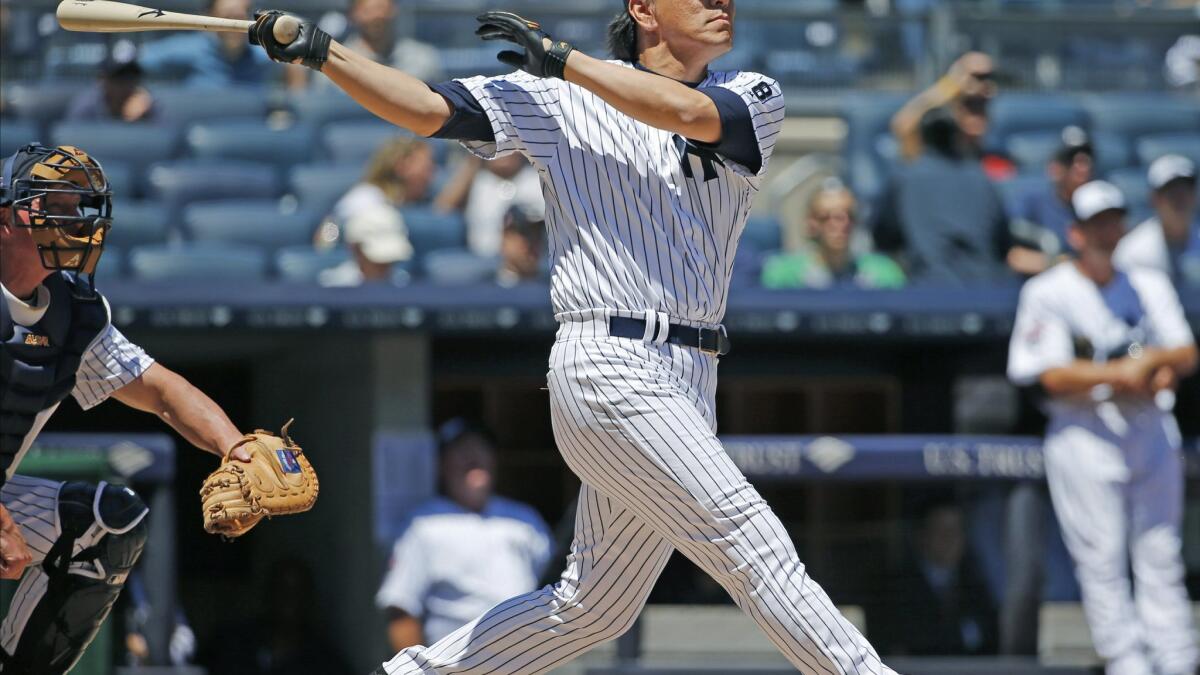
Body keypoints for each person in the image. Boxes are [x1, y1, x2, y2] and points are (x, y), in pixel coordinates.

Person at [247, 0, 898, 672]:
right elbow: (424, 108)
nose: (720, 2)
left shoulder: (751, 93)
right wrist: (326, 51)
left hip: (692, 373)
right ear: (643, 8)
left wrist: (566, 61)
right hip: (609, 362)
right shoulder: (557, 99)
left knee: (593, 606)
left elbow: (684, 114)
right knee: (749, 540)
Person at [0, 143, 258, 674]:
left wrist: (238, 449)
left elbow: (161, 392)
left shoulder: (72, 312)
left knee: (107, 526)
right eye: (55, 205)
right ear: (6, 214)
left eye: (78, 208)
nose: (73, 221)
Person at [1007, 179, 1199, 675]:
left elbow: (1184, 351)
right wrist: (1121, 374)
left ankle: (1176, 661)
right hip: (1084, 432)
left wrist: (1152, 364)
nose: (1107, 230)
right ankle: (1127, 663)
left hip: (1149, 429)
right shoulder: (1048, 290)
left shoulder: (1147, 282)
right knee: (1102, 561)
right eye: (1096, 222)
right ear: (1075, 232)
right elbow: (1048, 375)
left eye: (1113, 219)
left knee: (1161, 556)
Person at [376, 420, 552, 651]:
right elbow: (401, 608)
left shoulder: (523, 518)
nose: (473, 456)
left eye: (481, 448)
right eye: (462, 449)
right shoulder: (423, 524)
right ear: (442, 464)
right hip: (459, 663)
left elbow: (556, 580)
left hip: (528, 656)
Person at [873, 108, 1033, 284]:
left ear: (922, 137)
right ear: (956, 137)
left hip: (929, 294)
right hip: (985, 292)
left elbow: (883, 238)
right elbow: (1003, 244)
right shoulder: (981, 178)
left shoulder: (905, 177)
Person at [876, 501, 997, 656]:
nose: (951, 539)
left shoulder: (975, 583)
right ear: (922, 536)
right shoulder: (899, 586)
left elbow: (989, 636)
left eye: (956, 530)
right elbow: (905, 641)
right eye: (942, 531)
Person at [315, 137, 430, 286]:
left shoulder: (398, 202)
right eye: (427, 166)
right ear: (402, 165)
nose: (431, 172)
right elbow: (325, 237)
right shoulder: (364, 198)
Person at [760, 181, 905, 289]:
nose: (840, 224)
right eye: (827, 217)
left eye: (848, 215)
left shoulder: (884, 273)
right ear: (811, 224)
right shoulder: (783, 274)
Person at [890, 51, 1011, 179]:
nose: (984, 85)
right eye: (969, 106)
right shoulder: (931, 160)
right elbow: (902, 125)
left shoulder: (996, 161)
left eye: (981, 107)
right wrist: (951, 85)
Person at [138, 0, 274, 87]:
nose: (236, 25)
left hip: (246, 127)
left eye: (242, 17)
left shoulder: (262, 55)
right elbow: (135, 61)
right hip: (197, 127)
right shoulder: (189, 49)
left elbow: (289, 65)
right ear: (210, 16)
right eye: (228, 17)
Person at [435, 152, 545, 257]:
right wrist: (474, 159)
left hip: (532, 262)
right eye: (494, 144)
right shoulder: (476, 179)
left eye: (510, 144)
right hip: (482, 262)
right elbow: (442, 209)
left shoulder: (539, 178)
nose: (504, 153)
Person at [1010, 126, 1095, 261]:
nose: (1081, 167)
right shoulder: (1033, 200)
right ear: (1054, 167)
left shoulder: (1098, 208)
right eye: (1071, 160)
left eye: (1087, 160)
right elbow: (1014, 257)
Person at [1115, 154, 1199, 286]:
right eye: (1172, 193)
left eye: (1185, 190)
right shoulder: (1133, 251)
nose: (1179, 199)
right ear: (1154, 199)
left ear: (1194, 196)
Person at [64, 57, 158, 123]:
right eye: (120, 81)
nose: (127, 87)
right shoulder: (86, 106)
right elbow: (73, 138)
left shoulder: (148, 103)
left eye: (132, 81)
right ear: (104, 82)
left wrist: (144, 119)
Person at [496, 205, 546, 287]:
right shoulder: (481, 293)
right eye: (525, 233)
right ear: (504, 239)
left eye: (538, 233)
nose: (532, 242)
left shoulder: (555, 288)